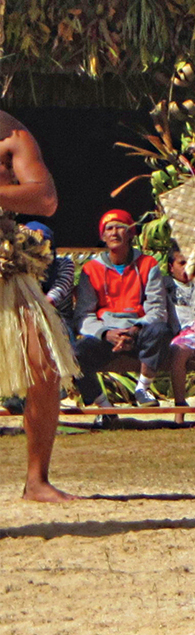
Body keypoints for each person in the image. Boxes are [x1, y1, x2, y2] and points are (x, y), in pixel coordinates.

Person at [0, 123, 78, 501]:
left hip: (5, 265)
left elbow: (44, 200)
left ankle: (37, 481)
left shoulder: (11, 135)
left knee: (44, 367)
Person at [73, 209, 173, 408]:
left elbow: (157, 309)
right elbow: (83, 315)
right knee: (74, 355)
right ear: (103, 236)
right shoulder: (91, 269)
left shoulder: (148, 264)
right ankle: (105, 407)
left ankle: (142, 388)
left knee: (161, 331)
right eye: (109, 228)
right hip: (106, 334)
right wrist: (106, 333)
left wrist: (134, 329)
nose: (114, 232)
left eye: (120, 227)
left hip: (138, 331)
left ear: (131, 234)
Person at [163, 245, 195, 409]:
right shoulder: (166, 284)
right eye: (182, 263)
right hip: (185, 334)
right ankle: (180, 407)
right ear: (171, 267)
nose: (187, 268)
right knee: (178, 352)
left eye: (191, 264)